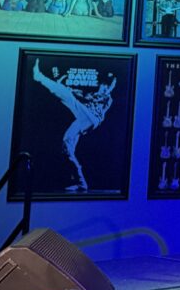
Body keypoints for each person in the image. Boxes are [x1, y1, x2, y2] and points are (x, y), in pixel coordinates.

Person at [31, 58, 117, 191]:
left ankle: (39, 76)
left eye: (107, 85)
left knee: (69, 96)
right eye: (103, 84)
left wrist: (66, 88)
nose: (104, 87)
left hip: (91, 118)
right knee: (66, 147)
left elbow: (87, 96)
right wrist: (64, 86)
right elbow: (80, 94)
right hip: (84, 118)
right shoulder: (93, 92)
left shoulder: (107, 98)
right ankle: (81, 183)